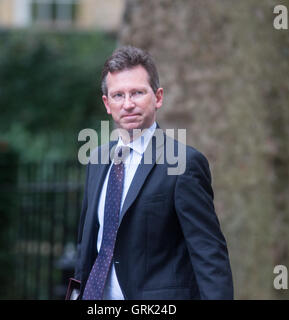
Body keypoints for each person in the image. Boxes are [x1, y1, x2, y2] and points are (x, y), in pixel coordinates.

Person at [73, 46, 233, 300]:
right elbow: (88, 244)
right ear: (107, 103)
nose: (128, 104)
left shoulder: (184, 163)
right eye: (118, 95)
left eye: (137, 92)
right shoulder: (98, 159)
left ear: (157, 97)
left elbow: (208, 252)